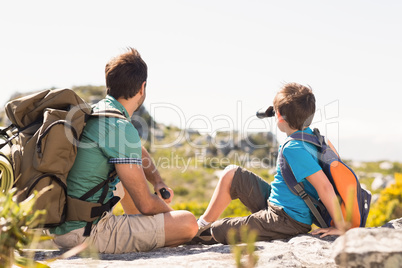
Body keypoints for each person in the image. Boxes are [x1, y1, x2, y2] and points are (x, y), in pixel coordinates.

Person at [49, 48, 198, 253]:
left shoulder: (96, 113)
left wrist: (157, 181)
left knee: (127, 178)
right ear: (142, 88)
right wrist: (170, 214)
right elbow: (146, 204)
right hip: (86, 235)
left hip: (65, 227)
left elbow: (136, 148)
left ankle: (145, 230)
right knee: (188, 223)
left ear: (109, 84)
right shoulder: (119, 127)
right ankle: (150, 232)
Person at [194, 82, 343, 244]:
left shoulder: (294, 148)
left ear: (278, 116)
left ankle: (197, 234)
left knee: (218, 230)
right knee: (232, 174)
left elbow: (324, 187)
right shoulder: (309, 136)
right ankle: (201, 225)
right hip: (277, 203)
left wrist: (341, 226)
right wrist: (280, 110)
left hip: (288, 220)